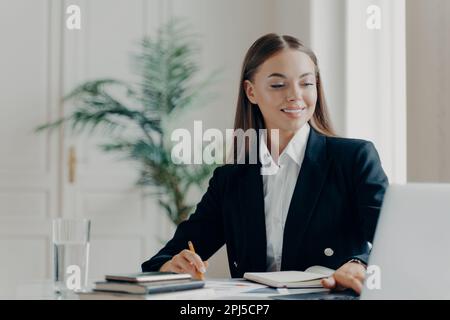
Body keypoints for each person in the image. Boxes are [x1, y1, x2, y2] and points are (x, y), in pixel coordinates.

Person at [141, 33, 388, 295]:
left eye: (306, 83)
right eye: (278, 85)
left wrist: (360, 263)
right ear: (251, 91)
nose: (295, 96)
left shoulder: (353, 158)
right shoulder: (231, 178)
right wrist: (172, 266)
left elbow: (395, 243)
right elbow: (162, 260)